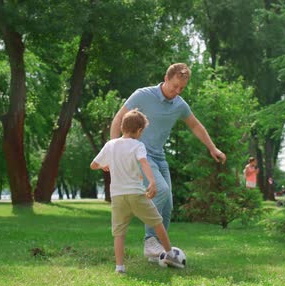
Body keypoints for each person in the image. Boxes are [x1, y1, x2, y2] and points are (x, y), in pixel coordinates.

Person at [110, 63, 226, 262]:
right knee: (160, 190)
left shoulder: (179, 105)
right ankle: (150, 241)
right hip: (140, 154)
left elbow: (195, 125)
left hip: (159, 156)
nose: (177, 91)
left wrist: (212, 147)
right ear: (166, 79)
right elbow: (118, 118)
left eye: (182, 88)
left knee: (168, 204)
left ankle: (157, 253)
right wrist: (114, 150)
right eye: (174, 86)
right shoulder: (142, 95)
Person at [92, 110, 183, 273]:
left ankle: (119, 267)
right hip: (135, 193)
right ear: (140, 131)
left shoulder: (110, 145)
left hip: (117, 196)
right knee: (157, 221)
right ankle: (170, 253)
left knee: (119, 232)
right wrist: (153, 182)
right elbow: (144, 163)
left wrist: (103, 165)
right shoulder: (138, 145)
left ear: (121, 126)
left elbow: (93, 164)